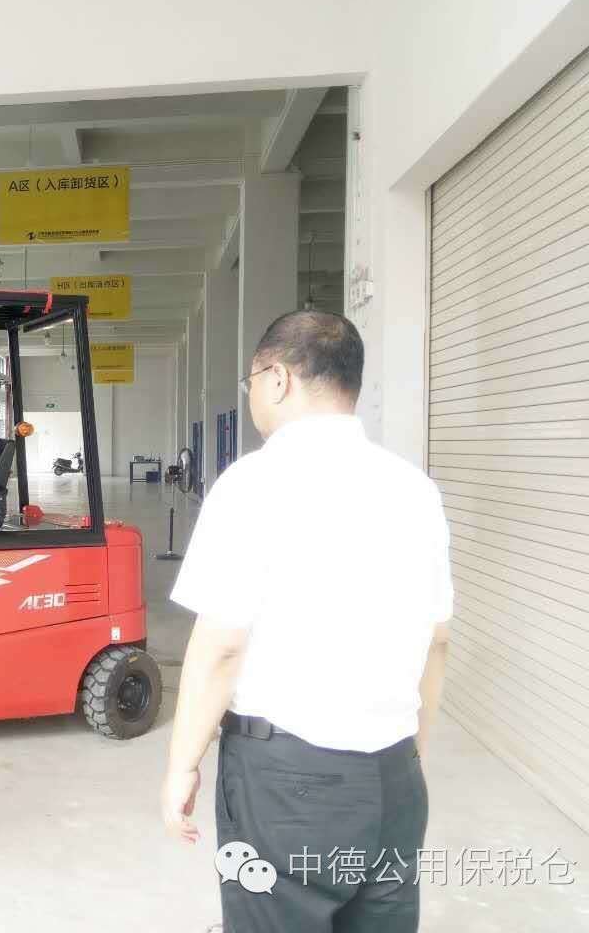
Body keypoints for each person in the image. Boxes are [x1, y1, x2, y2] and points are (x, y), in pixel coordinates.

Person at [161, 311, 452, 933]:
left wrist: (183, 763)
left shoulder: (251, 485)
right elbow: (437, 640)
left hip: (286, 785)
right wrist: (413, 757)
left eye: (251, 383)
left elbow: (222, 648)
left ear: (278, 379)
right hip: (394, 779)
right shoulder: (415, 489)